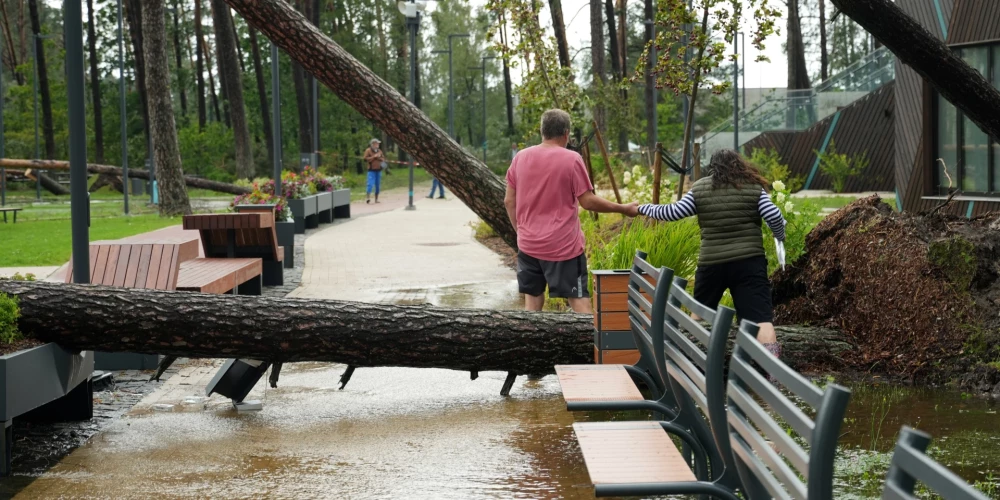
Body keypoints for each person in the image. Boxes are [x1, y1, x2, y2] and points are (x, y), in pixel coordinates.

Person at [636, 149, 786, 358]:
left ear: (712, 168)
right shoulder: (753, 187)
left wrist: (642, 208)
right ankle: (771, 374)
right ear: (739, 164)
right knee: (761, 318)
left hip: (712, 265)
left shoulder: (700, 189)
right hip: (749, 264)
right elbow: (773, 214)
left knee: (699, 316)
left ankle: (690, 362)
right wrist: (780, 235)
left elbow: (671, 213)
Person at [504, 109, 638, 314]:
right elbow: (588, 202)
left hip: (528, 245)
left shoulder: (520, 158)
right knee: (579, 301)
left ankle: (533, 345)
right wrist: (623, 208)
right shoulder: (571, 159)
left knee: (532, 305)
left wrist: (521, 231)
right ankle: (588, 345)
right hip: (563, 247)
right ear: (566, 133)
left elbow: (508, 201)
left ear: (543, 131)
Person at [363, 139, 385, 204]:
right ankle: (368, 198)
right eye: (377, 143)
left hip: (379, 170)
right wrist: (374, 157)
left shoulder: (380, 151)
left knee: (378, 185)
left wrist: (379, 158)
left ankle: (376, 199)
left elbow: (383, 159)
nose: (378, 145)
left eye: (378, 144)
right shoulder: (368, 150)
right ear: (373, 144)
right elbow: (365, 158)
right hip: (371, 170)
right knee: (370, 184)